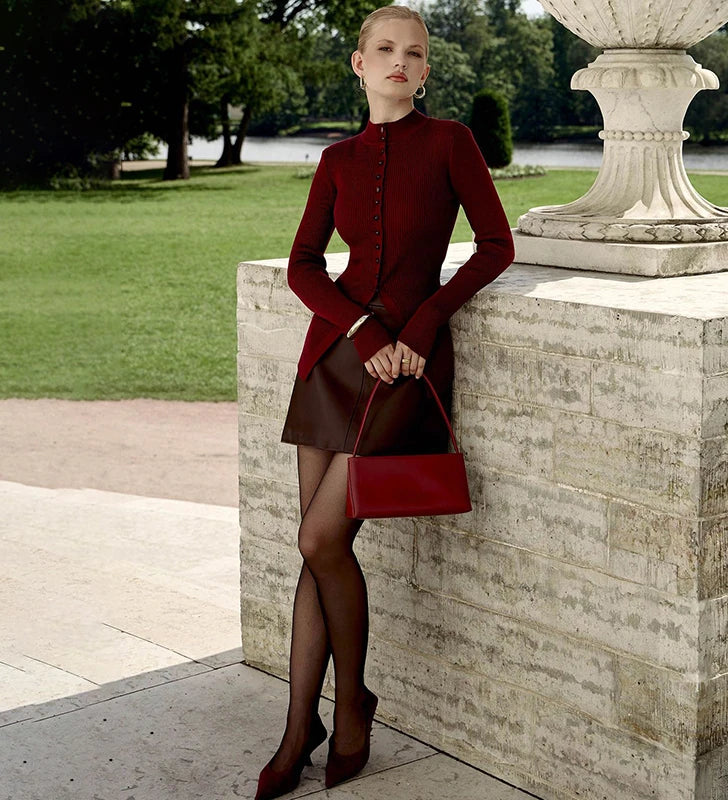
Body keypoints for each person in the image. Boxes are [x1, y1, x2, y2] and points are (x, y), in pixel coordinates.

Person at [253, 6, 514, 799]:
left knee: (323, 535)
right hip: (335, 359)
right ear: (360, 64)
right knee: (313, 544)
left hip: (407, 367)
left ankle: (353, 707)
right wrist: (361, 328)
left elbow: (497, 245)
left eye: (415, 53)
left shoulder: (451, 143)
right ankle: (304, 725)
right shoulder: (336, 158)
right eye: (386, 50)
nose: (400, 61)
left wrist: (425, 321)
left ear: (426, 72)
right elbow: (304, 266)